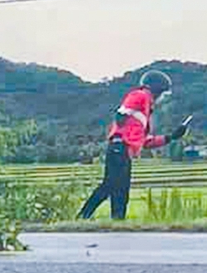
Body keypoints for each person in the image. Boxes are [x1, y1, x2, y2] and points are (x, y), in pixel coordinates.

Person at [78, 69, 188, 221]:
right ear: (156, 89)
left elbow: (146, 142)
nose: (162, 97)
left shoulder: (146, 111)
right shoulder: (141, 95)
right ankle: (82, 217)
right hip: (120, 147)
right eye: (162, 93)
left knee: (121, 189)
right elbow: (124, 110)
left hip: (125, 151)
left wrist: (171, 137)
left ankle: (117, 221)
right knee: (110, 185)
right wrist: (122, 114)